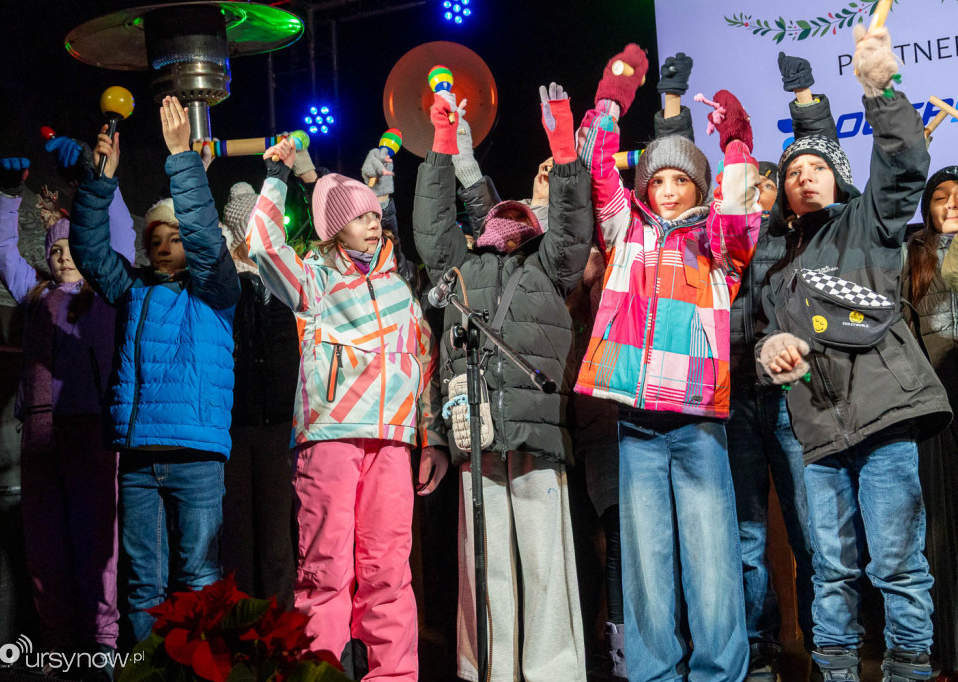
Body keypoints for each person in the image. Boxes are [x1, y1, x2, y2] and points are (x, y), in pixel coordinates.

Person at [755, 25, 951, 682]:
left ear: (837, 179)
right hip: (817, 438)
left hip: (885, 419)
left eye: (815, 168)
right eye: (791, 172)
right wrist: (773, 348)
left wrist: (880, 88)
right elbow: (766, 341)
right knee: (831, 574)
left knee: (897, 568)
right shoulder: (779, 268)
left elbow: (902, 164)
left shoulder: (865, 225)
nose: (802, 178)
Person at [575, 45, 762, 682]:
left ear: (697, 187)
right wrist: (609, 104)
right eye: (659, 178)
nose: (670, 188)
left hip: (697, 418)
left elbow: (739, 212)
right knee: (647, 560)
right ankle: (653, 672)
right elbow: (599, 168)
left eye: (682, 178)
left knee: (711, 558)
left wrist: (737, 145)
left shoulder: (718, 243)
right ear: (646, 187)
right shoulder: (624, 231)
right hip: (637, 422)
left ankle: (717, 673)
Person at [244, 135, 448, 681]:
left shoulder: (401, 290)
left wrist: (433, 440)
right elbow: (261, 247)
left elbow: (424, 364)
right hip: (330, 435)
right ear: (335, 228)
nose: (373, 222)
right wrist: (277, 178)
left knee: (388, 570)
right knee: (326, 569)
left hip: (393, 440)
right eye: (359, 217)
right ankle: (321, 675)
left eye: (375, 213)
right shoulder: (314, 277)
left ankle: (395, 676)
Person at [413, 81, 592, 682]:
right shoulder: (463, 269)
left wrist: (563, 150)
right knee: (482, 565)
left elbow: (571, 229)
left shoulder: (550, 266)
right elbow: (433, 226)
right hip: (476, 433)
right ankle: (484, 667)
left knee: (544, 562)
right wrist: (441, 143)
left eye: (520, 217)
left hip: (537, 439)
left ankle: (553, 672)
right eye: (499, 214)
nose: (508, 222)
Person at [68, 96, 240, 643]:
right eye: (155, 240)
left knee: (199, 578)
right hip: (141, 458)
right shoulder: (134, 288)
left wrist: (181, 159)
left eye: (175, 237)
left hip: (195, 457)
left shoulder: (215, 289)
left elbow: (209, 244)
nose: (165, 246)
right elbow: (91, 253)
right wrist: (100, 183)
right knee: (143, 586)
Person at [0, 137, 134, 675]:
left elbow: (118, 237)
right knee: (45, 547)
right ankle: (57, 651)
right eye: (54, 247)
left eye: (71, 245)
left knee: (99, 550)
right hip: (42, 434)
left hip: (93, 430)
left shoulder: (112, 291)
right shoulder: (36, 296)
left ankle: (102, 654)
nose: (62, 253)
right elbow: (1, 249)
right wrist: (6, 194)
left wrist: (93, 180)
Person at [729, 51, 842, 681]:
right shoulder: (722, 238)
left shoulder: (792, 236)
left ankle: (830, 645)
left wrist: (803, 97)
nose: (764, 191)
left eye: (772, 183)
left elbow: (815, 154)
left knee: (809, 527)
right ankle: (762, 645)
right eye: (755, 183)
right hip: (735, 398)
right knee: (749, 533)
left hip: (790, 396)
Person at [218, 181, 298, 606]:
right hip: (233, 424)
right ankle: (241, 634)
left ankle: (280, 636)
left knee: (277, 538)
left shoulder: (284, 280)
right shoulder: (224, 283)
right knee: (238, 536)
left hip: (278, 424)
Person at [903, 167, 958, 681]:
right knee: (940, 531)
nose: (951, 203)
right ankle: (947, 654)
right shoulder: (914, 253)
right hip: (937, 406)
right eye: (940, 196)